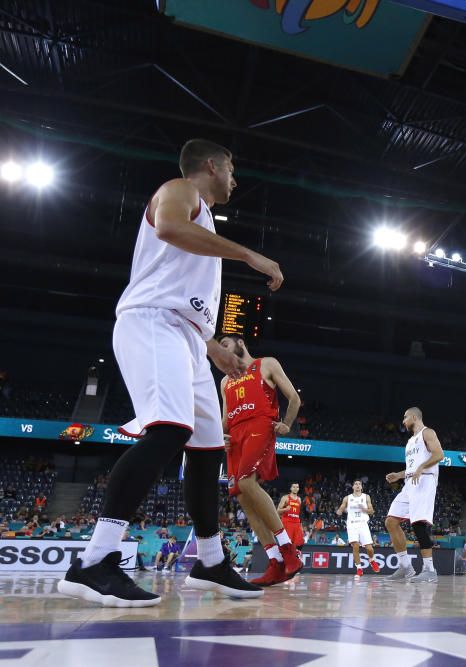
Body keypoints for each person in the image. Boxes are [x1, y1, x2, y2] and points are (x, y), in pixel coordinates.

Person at [57, 139, 279, 607]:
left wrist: (213, 347)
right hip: (152, 321)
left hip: (186, 338)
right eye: (232, 167)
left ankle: (211, 562)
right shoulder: (181, 190)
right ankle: (94, 562)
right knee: (169, 430)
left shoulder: (206, 217)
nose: (235, 178)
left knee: (205, 448)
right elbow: (169, 228)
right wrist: (248, 255)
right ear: (212, 165)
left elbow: (184, 290)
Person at [218, 334, 303, 587]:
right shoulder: (225, 381)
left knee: (245, 482)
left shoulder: (266, 364)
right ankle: (275, 561)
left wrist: (287, 424)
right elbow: (225, 418)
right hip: (235, 436)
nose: (221, 351)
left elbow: (294, 398)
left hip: (260, 426)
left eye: (225, 344)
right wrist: (220, 435)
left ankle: (289, 550)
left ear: (240, 344)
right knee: (242, 496)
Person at [384, 407, 444, 583]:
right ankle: (405, 567)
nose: (403, 421)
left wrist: (421, 468)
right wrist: (399, 475)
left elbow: (439, 454)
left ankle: (429, 570)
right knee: (391, 521)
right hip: (410, 482)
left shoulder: (428, 432)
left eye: (405, 417)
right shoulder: (410, 441)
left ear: (414, 416)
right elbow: (412, 467)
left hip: (424, 480)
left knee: (418, 524)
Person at [336, 480, 380, 578]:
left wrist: (364, 509)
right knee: (355, 546)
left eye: (359, 484)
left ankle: (372, 560)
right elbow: (342, 507)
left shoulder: (366, 496)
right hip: (352, 525)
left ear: (361, 487)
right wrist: (339, 510)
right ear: (353, 487)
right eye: (355, 484)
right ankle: (359, 568)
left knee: (369, 548)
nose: (357, 485)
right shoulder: (347, 498)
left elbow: (372, 511)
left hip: (363, 524)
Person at [276, 483, 306, 549]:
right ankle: (287, 557)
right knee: (288, 543)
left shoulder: (299, 499)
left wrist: (300, 525)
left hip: (296, 523)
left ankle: (296, 556)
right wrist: (285, 509)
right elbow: (277, 511)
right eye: (294, 487)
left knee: (300, 542)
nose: (295, 489)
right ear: (291, 488)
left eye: (297, 487)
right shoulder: (285, 498)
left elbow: (298, 513)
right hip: (287, 522)